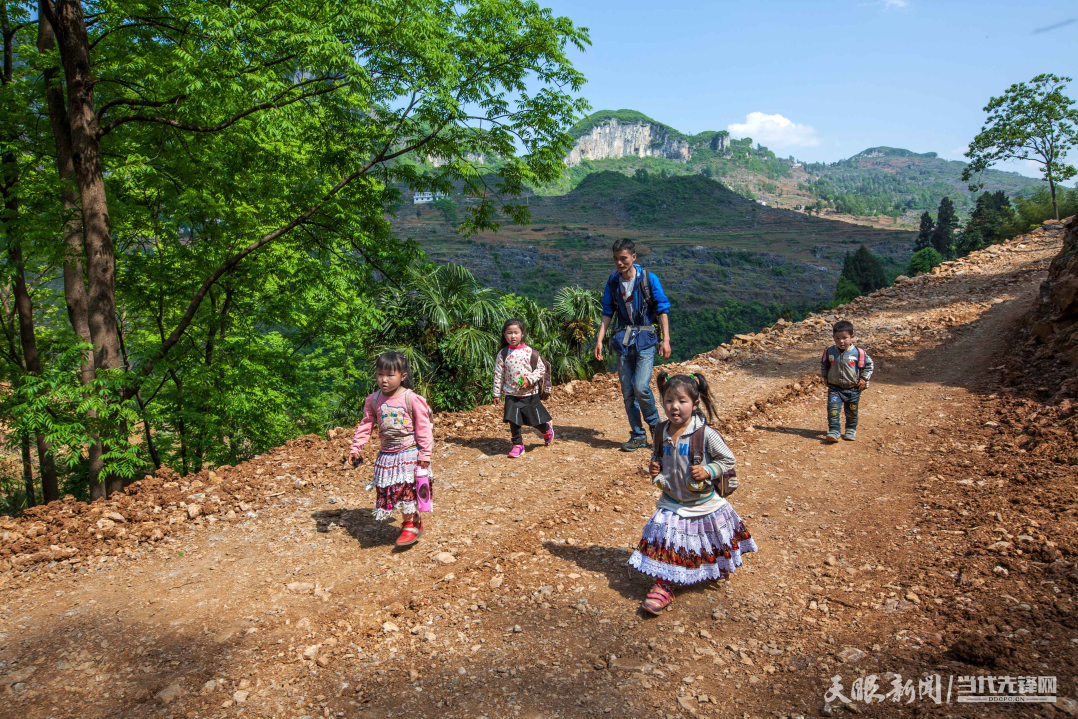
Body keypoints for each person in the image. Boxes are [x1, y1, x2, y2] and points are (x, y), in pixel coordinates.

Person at [628, 373, 756, 615]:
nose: (674, 407)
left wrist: (708, 470)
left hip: (703, 501)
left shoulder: (705, 434)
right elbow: (659, 458)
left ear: (695, 405)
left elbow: (727, 459)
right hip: (672, 501)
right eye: (668, 401)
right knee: (666, 540)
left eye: (682, 401)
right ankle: (663, 585)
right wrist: (655, 468)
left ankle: (712, 567)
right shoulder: (660, 432)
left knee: (706, 539)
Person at [594, 238, 672, 452]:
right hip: (623, 342)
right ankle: (637, 435)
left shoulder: (648, 278)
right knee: (628, 391)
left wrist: (666, 340)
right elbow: (607, 312)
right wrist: (600, 339)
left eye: (624, 258)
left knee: (640, 387)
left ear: (633, 257)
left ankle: (658, 432)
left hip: (646, 340)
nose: (620, 263)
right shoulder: (613, 281)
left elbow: (662, 308)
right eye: (616, 259)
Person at [349, 351, 434, 547]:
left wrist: (425, 454)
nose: (383, 380)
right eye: (380, 374)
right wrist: (356, 447)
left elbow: (423, 428)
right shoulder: (373, 400)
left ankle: (409, 525)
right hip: (387, 455)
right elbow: (366, 424)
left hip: (410, 453)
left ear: (403, 376)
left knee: (407, 491)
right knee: (391, 491)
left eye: (390, 375)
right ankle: (413, 520)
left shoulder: (411, 399)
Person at [492, 318, 553, 457]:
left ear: (522, 334)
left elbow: (541, 369)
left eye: (516, 332)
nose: (513, 336)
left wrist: (529, 380)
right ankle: (517, 444)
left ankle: (546, 429)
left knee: (534, 420)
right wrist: (496, 393)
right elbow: (498, 374)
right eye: (509, 333)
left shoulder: (530, 352)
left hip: (529, 393)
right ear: (504, 334)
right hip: (511, 393)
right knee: (513, 419)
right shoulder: (503, 354)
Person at [820, 319, 874, 443]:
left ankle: (850, 430)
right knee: (833, 410)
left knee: (851, 412)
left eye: (845, 338)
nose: (841, 341)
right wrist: (824, 376)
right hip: (835, 388)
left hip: (853, 388)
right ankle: (834, 431)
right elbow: (824, 364)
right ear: (833, 337)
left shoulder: (858, 353)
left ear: (852, 337)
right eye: (837, 338)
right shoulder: (829, 352)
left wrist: (864, 378)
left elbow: (869, 365)